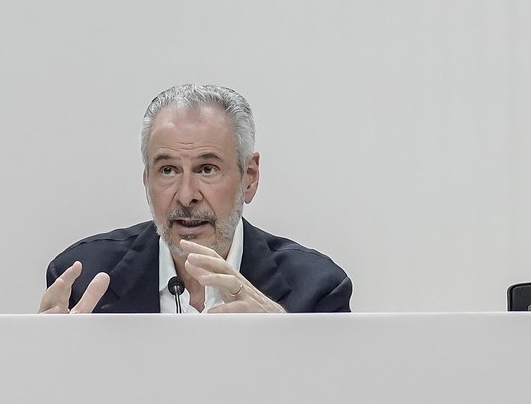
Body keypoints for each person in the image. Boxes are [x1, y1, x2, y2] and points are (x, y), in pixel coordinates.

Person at [40, 84, 351, 314]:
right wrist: (46, 358)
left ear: (249, 177)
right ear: (147, 181)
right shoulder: (82, 280)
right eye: (168, 170)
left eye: (207, 169)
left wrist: (284, 338)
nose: (187, 195)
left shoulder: (316, 290)